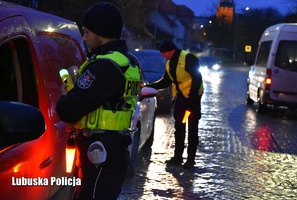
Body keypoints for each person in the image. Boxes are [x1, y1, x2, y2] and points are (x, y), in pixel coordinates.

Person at [55, 2, 141, 199]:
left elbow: (67, 110)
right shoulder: (128, 63)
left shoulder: (104, 67)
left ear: (100, 33)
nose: (84, 37)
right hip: (114, 148)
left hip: (100, 155)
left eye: (86, 32)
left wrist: (64, 97)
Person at [148, 39, 203, 169]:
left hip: (193, 99)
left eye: (164, 53)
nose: (163, 56)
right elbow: (166, 80)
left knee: (192, 129)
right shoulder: (170, 62)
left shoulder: (188, 58)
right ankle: (177, 157)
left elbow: (197, 78)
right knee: (179, 127)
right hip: (181, 99)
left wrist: (192, 100)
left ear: (170, 51)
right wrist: (151, 86)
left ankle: (190, 160)